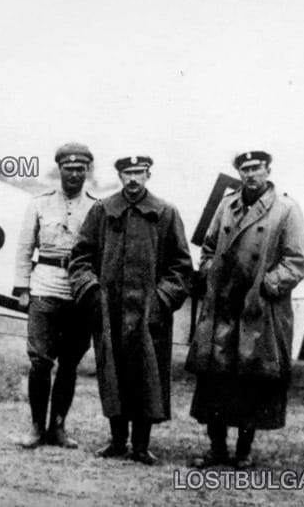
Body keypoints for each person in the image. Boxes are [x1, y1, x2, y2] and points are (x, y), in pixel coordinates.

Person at [185, 151, 304, 469]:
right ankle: (217, 449)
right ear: (238, 172)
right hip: (223, 306)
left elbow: (297, 259)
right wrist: (212, 272)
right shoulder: (227, 205)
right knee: (216, 379)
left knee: (250, 382)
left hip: (259, 309)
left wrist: (269, 284)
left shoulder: (286, 209)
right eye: (244, 168)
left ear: (268, 169)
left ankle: (243, 451)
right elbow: (209, 245)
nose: (250, 173)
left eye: (256, 168)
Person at [68, 155, 193, 464]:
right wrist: (93, 293)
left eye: (139, 172)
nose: (133, 178)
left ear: (148, 174)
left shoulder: (165, 212)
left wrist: (162, 300)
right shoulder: (102, 211)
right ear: (120, 176)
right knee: (114, 374)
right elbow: (80, 257)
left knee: (147, 377)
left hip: (150, 314)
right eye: (127, 173)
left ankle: (141, 445)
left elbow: (181, 267)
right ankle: (117, 441)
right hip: (110, 310)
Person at [13, 142, 97, 449]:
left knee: (70, 363)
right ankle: (37, 427)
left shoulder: (97, 208)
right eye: (68, 168)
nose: (74, 174)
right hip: (45, 287)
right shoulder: (39, 203)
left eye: (80, 169)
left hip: (80, 293)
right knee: (39, 362)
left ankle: (58, 427)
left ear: (87, 171)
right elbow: (24, 248)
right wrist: (23, 289)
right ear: (59, 169)